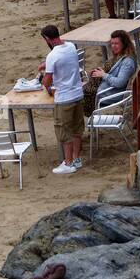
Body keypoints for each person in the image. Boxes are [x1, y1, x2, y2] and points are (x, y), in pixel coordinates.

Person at [40, 25, 83, 173]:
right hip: (77, 93)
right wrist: (46, 65)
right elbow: (63, 59)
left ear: (47, 39)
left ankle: (68, 163)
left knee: (64, 131)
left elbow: (46, 80)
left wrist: (48, 87)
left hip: (64, 97)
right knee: (77, 129)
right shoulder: (71, 46)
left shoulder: (52, 55)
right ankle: (77, 159)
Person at [82, 30, 137, 115]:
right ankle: (89, 117)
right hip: (106, 88)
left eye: (116, 44)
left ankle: (91, 117)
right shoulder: (119, 55)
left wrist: (103, 75)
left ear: (124, 44)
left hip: (110, 94)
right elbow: (112, 71)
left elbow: (119, 82)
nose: (113, 46)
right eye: (112, 43)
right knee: (81, 88)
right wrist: (100, 72)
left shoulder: (127, 62)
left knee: (83, 92)